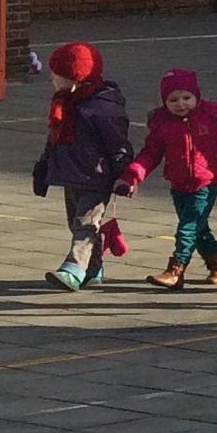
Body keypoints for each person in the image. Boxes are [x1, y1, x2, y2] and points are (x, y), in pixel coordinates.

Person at [121, 67, 217, 289]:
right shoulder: (162, 124)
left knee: (188, 227)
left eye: (187, 98)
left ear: (196, 96)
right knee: (199, 228)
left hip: (206, 182)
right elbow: (150, 154)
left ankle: (176, 270)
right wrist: (134, 174)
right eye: (173, 100)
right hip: (179, 183)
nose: (181, 104)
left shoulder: (211, 116)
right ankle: (215, 263)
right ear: (164, 102)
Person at [32, 40, 133, 292]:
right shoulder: (64, 103)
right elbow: (54, 139)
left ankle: (73, 268)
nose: (52, 78)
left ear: (75, 79)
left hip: (96, 176)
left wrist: (124, 173)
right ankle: (93, 268)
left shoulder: (102, 109)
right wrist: (44, 168)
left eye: (57, 74)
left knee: (85, 223)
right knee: (77, 223)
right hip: (70, 173)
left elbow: (117, 142)